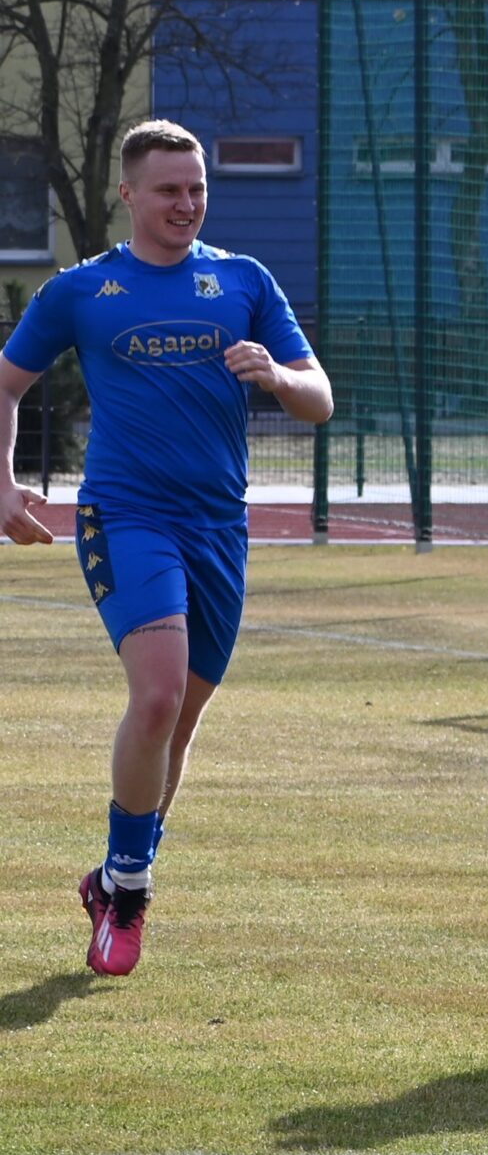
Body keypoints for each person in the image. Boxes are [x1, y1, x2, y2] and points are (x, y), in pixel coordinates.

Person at [0, 120, 332, 977]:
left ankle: (112, 877)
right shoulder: (82, 290)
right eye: (169, 189)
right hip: (125, 516)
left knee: (177, 724)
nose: (186, 203)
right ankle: (133, 897)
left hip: (218, 527)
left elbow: (320, 399)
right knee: (154, 700)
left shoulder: (244, 280)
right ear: (129, 195)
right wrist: (2, 486)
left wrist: (278, 376)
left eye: (197, 188)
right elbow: (6, 384)